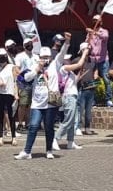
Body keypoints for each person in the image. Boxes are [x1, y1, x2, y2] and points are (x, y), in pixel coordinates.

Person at [15, 32, 70, 160]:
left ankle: (49, 150)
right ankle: (27, 151)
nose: (45, 59)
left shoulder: (54, 65)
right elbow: (26, 78)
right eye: (43, 57)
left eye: (47, 57)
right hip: (37, 103)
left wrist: (67, 42)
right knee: (33, 126)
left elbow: (61, 54)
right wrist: (37, 69)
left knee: (49, 128)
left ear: (50, 58)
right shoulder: (35, 66)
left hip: (50, 103)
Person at [52, 42, 90, 151]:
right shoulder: (63, 68)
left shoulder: (70, 73)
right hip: (68, 97)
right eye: (67, 59)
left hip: (72, 96)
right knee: (68, 120)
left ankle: (70, 141)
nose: (69, 60)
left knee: (73, 120)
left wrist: (79, 76)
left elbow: (74, 81)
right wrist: (84, 53)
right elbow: (78, 64)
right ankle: (55, 138)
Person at [0, 48, 18, 146]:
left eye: (4, 56)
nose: (3, 58)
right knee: (0, 116)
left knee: (11, 116)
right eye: (1, 57)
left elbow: (15, 81)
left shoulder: (12, 67)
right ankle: (0, 137)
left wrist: (16, 93)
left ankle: (13, 137)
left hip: (9, 93)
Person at [87, 15, 112, 106]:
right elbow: (87, 44)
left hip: (103, 59)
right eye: (93, 20)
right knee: (93, 80)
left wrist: (94, 32)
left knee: (106, 79)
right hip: (93, 59)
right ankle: (93, 100)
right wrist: (89, 36)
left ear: (101, 22)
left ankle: (108, 99)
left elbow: (104, 37)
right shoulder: (90, 33)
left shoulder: (104, 31)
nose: (95, 22)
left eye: (97, 20)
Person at [14, 38, 37, 132]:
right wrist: (23, 76)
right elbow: (16, 69)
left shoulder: (36, 56)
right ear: (24, 46)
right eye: (27, 44)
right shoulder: (19, 56)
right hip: (23, 82)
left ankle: (28, 123)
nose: (30, 45)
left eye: (31, 44)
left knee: (31, 104)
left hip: (34, 82)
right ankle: (20, 123)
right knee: (23, 104)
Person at [75, 42, 98, 136]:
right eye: (86, 49)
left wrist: (96, 74)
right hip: (81, 88)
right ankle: (78, 127)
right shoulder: (76, 60)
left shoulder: (92, 60)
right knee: (80, 110)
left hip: (91, 87)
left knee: (88, 110)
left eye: (89, 49)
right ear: (82, 50)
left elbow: (96, 68)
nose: (88, 50)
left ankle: (87, 127)